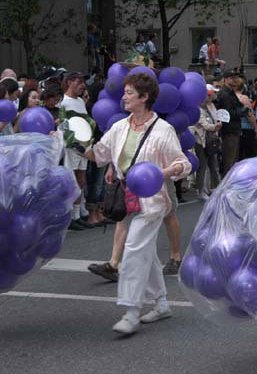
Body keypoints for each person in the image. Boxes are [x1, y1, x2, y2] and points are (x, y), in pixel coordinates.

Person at [79, 73, 191, 335]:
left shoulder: (163, 129)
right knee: (147, 253)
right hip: (126, 199)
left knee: (133, 249)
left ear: (144, 97)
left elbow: (183, 164)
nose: (124, 97)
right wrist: (73, 141)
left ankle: (131, 311)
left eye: (129, 93)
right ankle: (162, 304)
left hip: (152, 202)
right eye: (125, 92)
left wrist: (161, 173)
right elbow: (98, 154)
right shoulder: (120, 127)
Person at [60, 71, 95, 231]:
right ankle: (69, 217)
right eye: (79, 82)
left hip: (84, 145)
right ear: (70, 82)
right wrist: (74, 144)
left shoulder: (80, 101)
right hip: (73, 147)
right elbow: (64, 126)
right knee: (72, 180)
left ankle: (77, 214)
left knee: (81, 179)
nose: (82, 86)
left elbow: (85, 121)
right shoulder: (64, 103)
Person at [192, 84, 222, 200]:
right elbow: (205, 125)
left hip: (212, 140)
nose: (211, 97)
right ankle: (201, 191)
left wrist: (217, 125)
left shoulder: (211, 106)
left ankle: (214, 187)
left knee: (214, 165)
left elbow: (216, 118)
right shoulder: (197, 109)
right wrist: (216, 126)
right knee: (203, 168)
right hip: (201, 141)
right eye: (209, 95)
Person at [215, 70, 244, 177]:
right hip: (229, 131)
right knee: (229, 161)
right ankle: (227, 184)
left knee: (233, 160)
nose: (235, 80)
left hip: (234, 129)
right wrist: (241, 112)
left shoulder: (230, 92)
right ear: (225, 79)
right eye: (232, 78)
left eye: (235, 78)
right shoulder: (225, 94)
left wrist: (242, 110)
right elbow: (228, 113)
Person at [233, 77, 257, 160]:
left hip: (235, 129)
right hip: (246, 129)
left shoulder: (230, 96)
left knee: (238, 155)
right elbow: (250, 115)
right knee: (249, 155)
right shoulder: (243, 98)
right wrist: (256, 129)